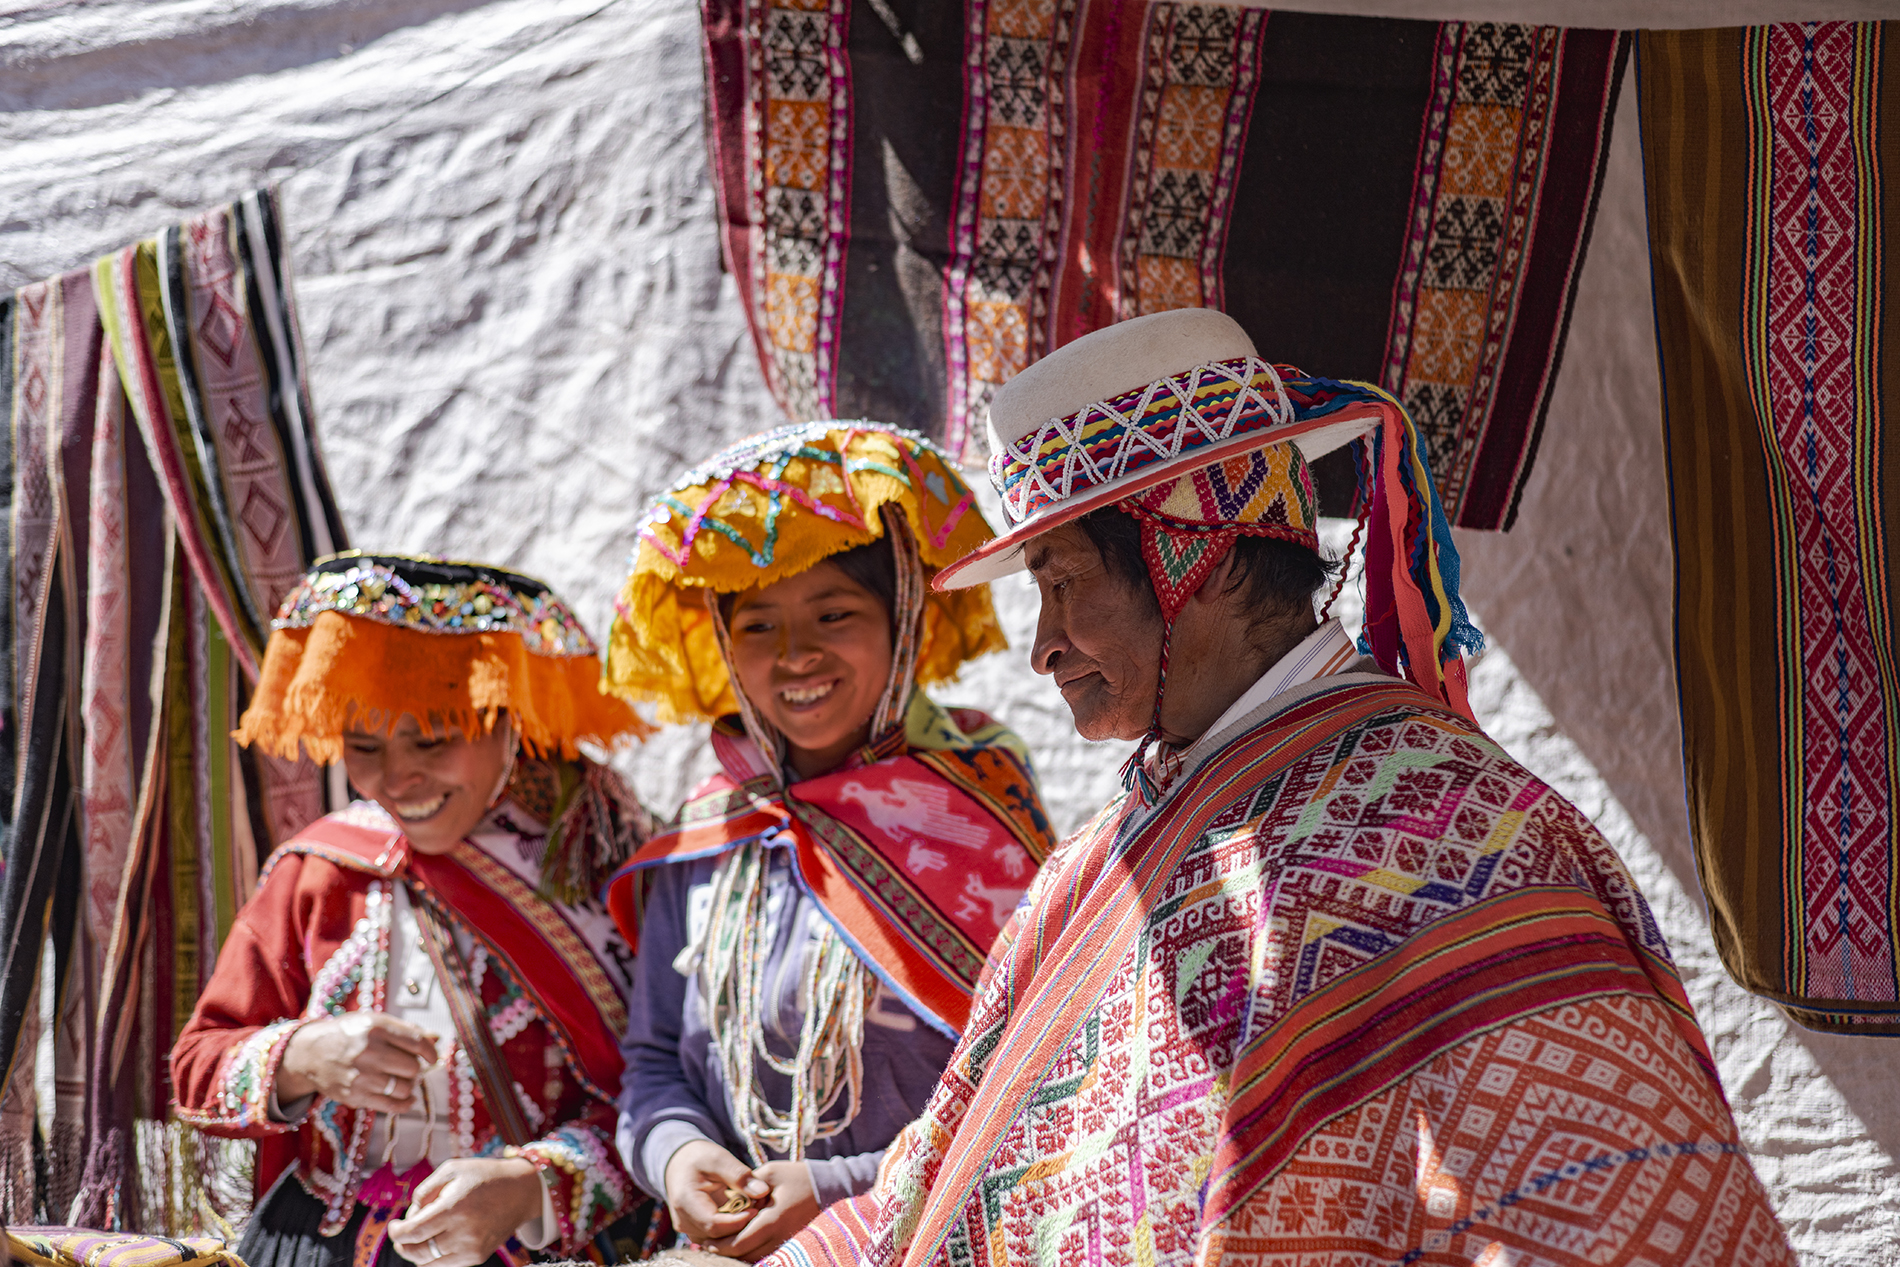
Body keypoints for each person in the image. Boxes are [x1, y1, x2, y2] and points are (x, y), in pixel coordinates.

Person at [754, 310, 1797, 1265]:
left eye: (1063, 583)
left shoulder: (1459, 837)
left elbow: (1603, 1209)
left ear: (1193, 559)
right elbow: (963, 1165)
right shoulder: (1105, 856)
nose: (1043, 646)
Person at [599, 422, 1057, 1262]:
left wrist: (844, 1183)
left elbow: (1040, 1082)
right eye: (758, 625)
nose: (796, 654)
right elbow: (655, 1059)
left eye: (834, 611)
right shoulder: (709, 840)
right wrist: (679, 1157)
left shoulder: (976, 816)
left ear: (905, 620)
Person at [172, 553, 665, 1267]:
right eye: (363, 745)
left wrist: (532, 1187)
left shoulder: (601, 872)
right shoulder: (321, 870)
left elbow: (670, 1097)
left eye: (432, 738)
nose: (396, 777)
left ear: (508, 720)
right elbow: (197, 1063)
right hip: (322, 1246)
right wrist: (302, 1056)